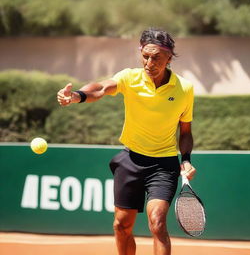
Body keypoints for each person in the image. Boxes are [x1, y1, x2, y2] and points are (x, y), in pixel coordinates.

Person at [57, 27, 196, 255]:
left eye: (156, 57)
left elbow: (186, 130)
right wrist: (77, 96)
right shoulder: (129, 78)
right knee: (121, 226)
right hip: (130, 161)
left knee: (157, 222)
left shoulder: (185, 88)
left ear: (169, 57)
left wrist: (187, 159)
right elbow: (101, 88)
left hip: (164, 166)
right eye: (145, 56)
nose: (149, 63)